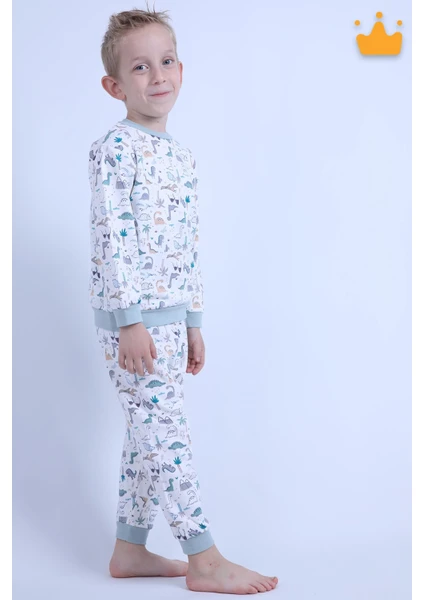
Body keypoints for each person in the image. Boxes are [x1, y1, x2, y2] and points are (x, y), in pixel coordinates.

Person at [88, 6, 278, 594]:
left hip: (173, 321)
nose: (158, 75)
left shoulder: (182, 156)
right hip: (134, 324)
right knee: (167, 437)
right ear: (115, 87)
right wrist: (129, 321)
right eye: (140, 67)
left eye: (166, 61)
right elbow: (111, 236)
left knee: (147, 436)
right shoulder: (113, 148)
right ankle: (204, 558)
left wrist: (194, 320)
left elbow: (187, 242)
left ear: (181, 69)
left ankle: (129, 549)